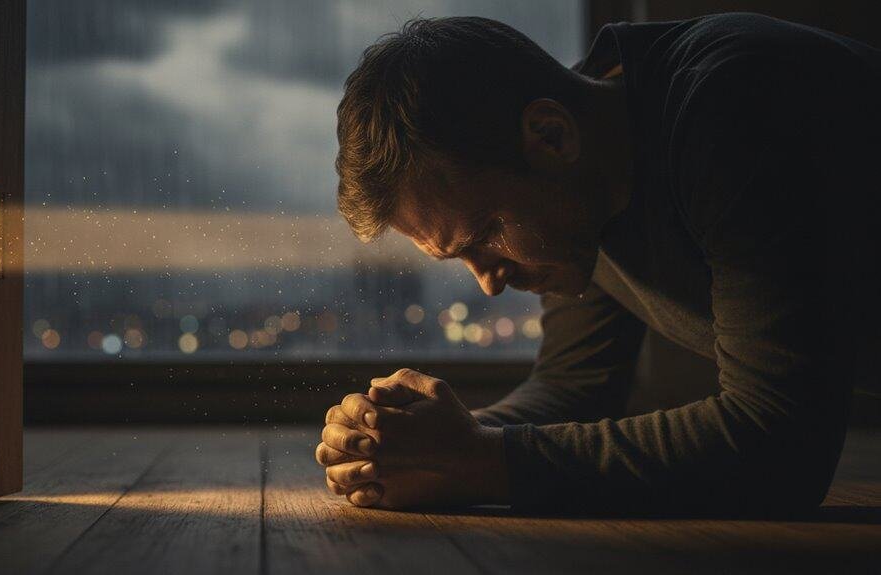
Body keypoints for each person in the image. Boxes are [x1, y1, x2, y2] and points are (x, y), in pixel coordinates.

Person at [315, 13, 881, 513]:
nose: (488, 283)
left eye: (487, 235)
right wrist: (419, 441)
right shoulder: (578, 183)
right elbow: (574, 388)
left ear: (552, 137)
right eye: (461, 258)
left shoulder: (736, 107)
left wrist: (479, 462)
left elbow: (780, 444)